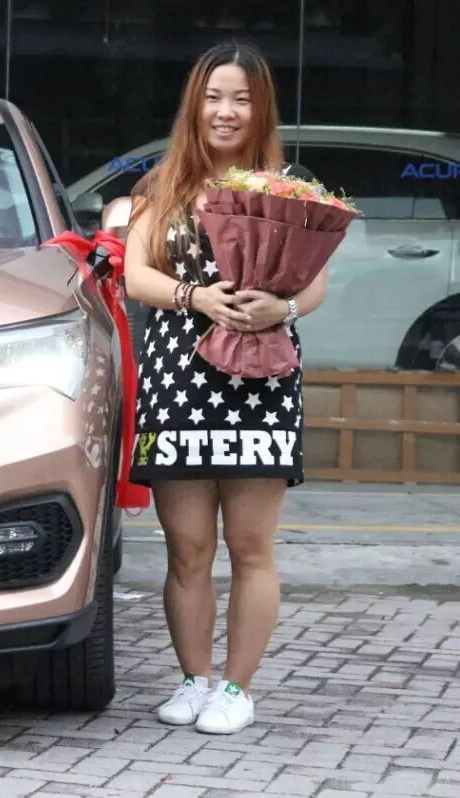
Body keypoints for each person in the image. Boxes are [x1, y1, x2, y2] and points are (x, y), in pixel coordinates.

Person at [123, 41, 328, 734]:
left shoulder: (291, 185)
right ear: (195, 104)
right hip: (177, 382)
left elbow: (315, 284)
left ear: (260, 107)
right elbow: (136, 277)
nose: (225, 111)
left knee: (249, 545)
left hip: (262, 384)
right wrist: (195, 297)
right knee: (186, 547)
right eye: (213, 97)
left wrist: (283, 308)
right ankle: (193, 680)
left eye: (240, 98)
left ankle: (236, 689)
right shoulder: (162, 184)